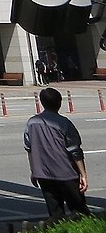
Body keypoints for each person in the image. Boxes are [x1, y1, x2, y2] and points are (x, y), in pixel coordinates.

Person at [24, 87, 91, 222]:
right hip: (66, 174)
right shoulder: (64, 123)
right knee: (79, 212)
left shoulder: (31, 123)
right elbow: (75, 151)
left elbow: (29, 149)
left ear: (42, 103)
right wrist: (83, 174)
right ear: (59, 103)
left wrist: (34, 171)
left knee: (55, 214)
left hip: (44, 174)